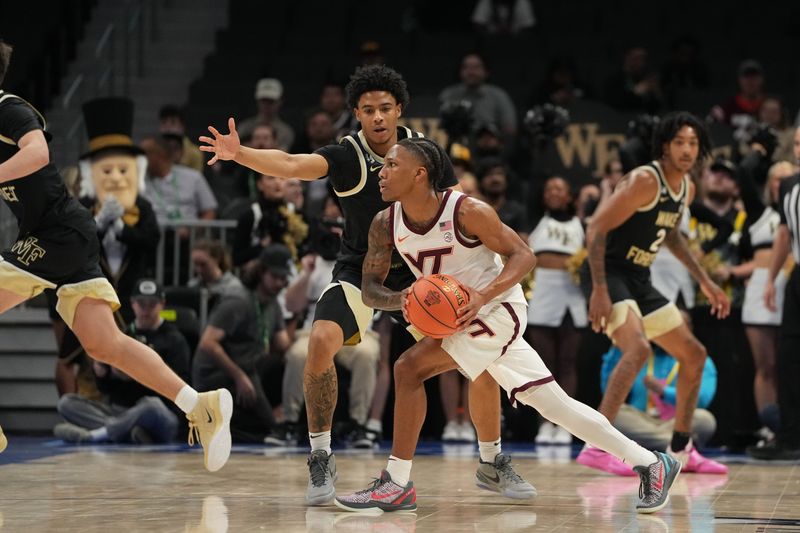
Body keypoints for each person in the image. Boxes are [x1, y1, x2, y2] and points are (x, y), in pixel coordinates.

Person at [199, 64, 528, 505]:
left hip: (423, 276)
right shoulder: (346, 155)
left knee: (483, 365)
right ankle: (320, 456)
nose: (377, 117)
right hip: (361, 272)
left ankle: (491, 461)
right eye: (368, 109)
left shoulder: (425, 154)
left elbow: (454, 207)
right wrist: (242, 154)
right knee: (319, 341)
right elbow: (294, 164)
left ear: (399, 111)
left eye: (385, 108)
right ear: (355, 113)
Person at [335, 137, 679, 514]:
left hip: (497, 308)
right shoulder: (385, 223)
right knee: (553, 403)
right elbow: (370, 288)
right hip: (453, 316)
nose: (380, 174)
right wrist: (400, 299)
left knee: (407, 368)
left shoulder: (468, 211)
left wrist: (482, 295)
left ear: (419, 174)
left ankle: (397, 484)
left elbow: (523, 255)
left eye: (390, 167)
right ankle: (650, 463)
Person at [0, 40, 230, 469]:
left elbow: (38, 152)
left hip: (56, 232)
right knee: (106, 345)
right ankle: (200, 404)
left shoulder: (9, 108)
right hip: (61, 234)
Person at [579, 112, 731, 476]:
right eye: (679, 142)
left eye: (693, 143)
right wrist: (599, 289)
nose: (687, 149)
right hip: (609, 271)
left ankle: (681, 448)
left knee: (694, 355)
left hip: (638, 276)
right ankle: (597, 446)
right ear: (665, 145)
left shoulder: (687, 189)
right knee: (638, 348)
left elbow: (673, 236)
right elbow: (596, 227)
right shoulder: (645, 180)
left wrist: (705, 282)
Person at [54, 279, 191, 444]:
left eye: (151, 304)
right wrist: (102, 374)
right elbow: (106, 390)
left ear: (162, 304)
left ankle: (96, 435)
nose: (146, 310)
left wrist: (137, 375)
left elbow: (182, 387)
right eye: (142, 304)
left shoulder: (174, 340)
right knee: (67, 403)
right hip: (120, 410)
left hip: (158, 412)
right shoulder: (122, 335)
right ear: (133, 304)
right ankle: (128, 433)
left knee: (152, 406)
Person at [193, 244, 292, 442]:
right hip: (217, 375)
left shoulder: (272, 303)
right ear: (261, 272)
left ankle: (287, 421)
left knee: (290, 362)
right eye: (275, 277)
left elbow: (283, 345)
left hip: (249, 368)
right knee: (249, 370)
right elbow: (208, 343)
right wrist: (239, 377)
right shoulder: (238, 301)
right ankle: (273, 426)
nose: (280, 283)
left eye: (283, 279)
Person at [747, 126, 800, 460]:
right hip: (796, 278)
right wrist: (770, 279)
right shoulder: (790, 186)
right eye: (796, 143)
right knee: (789, 357)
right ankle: (791, 439)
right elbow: (783, 233)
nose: (799, 148)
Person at [526, 176, 586, 444]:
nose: (553, 192)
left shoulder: (580, 224)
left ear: (569, 196)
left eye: (559, 189)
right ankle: (544, 423)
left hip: (571, 293)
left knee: (567, 362)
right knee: (543, 364)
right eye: (549, 188)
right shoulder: (534, 222)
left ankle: (566, 424)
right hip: (542, 292)